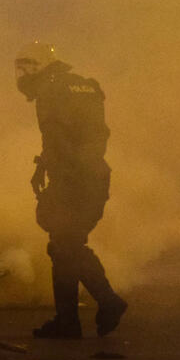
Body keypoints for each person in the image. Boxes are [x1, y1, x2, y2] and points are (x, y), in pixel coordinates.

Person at [15, 41, 127, 339]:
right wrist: (44, 167)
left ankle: (108, 302)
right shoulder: (82, 86)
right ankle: (69, 321)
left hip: (74, 181)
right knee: (65, 247)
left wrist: (56, 176)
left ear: (37, 66)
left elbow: (58, 140)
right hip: (93, 177)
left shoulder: (50, 92)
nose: (20, 76)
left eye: (23, 68)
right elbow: (88, 136)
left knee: (67, 246)